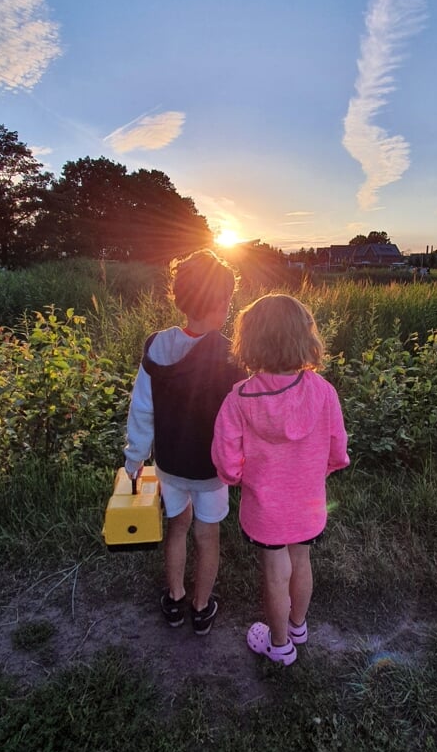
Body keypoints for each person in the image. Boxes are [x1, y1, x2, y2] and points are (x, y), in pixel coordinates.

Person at [211, 294, 350, 665]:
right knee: (301, 561)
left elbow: (225, 457)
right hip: (307, 501)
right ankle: (297, 626)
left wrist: (237, 477)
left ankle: (279, 645)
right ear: (306, 337)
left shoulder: (240, 398)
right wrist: (320, 472)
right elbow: (338, 446)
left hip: (265, 507)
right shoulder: (323, 391)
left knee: (276, 571)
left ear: (251, 340)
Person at [123, 250, 246, 635]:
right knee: (207, 536)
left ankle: (174, 598)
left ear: (181, 298)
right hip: (212, 469)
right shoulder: (232, 354)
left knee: (177, 527)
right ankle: (201, 605)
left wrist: (135, 458)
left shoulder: (156, 346)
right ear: (224, 301)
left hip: (170, 466)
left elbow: (141, 408)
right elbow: (244, 415)